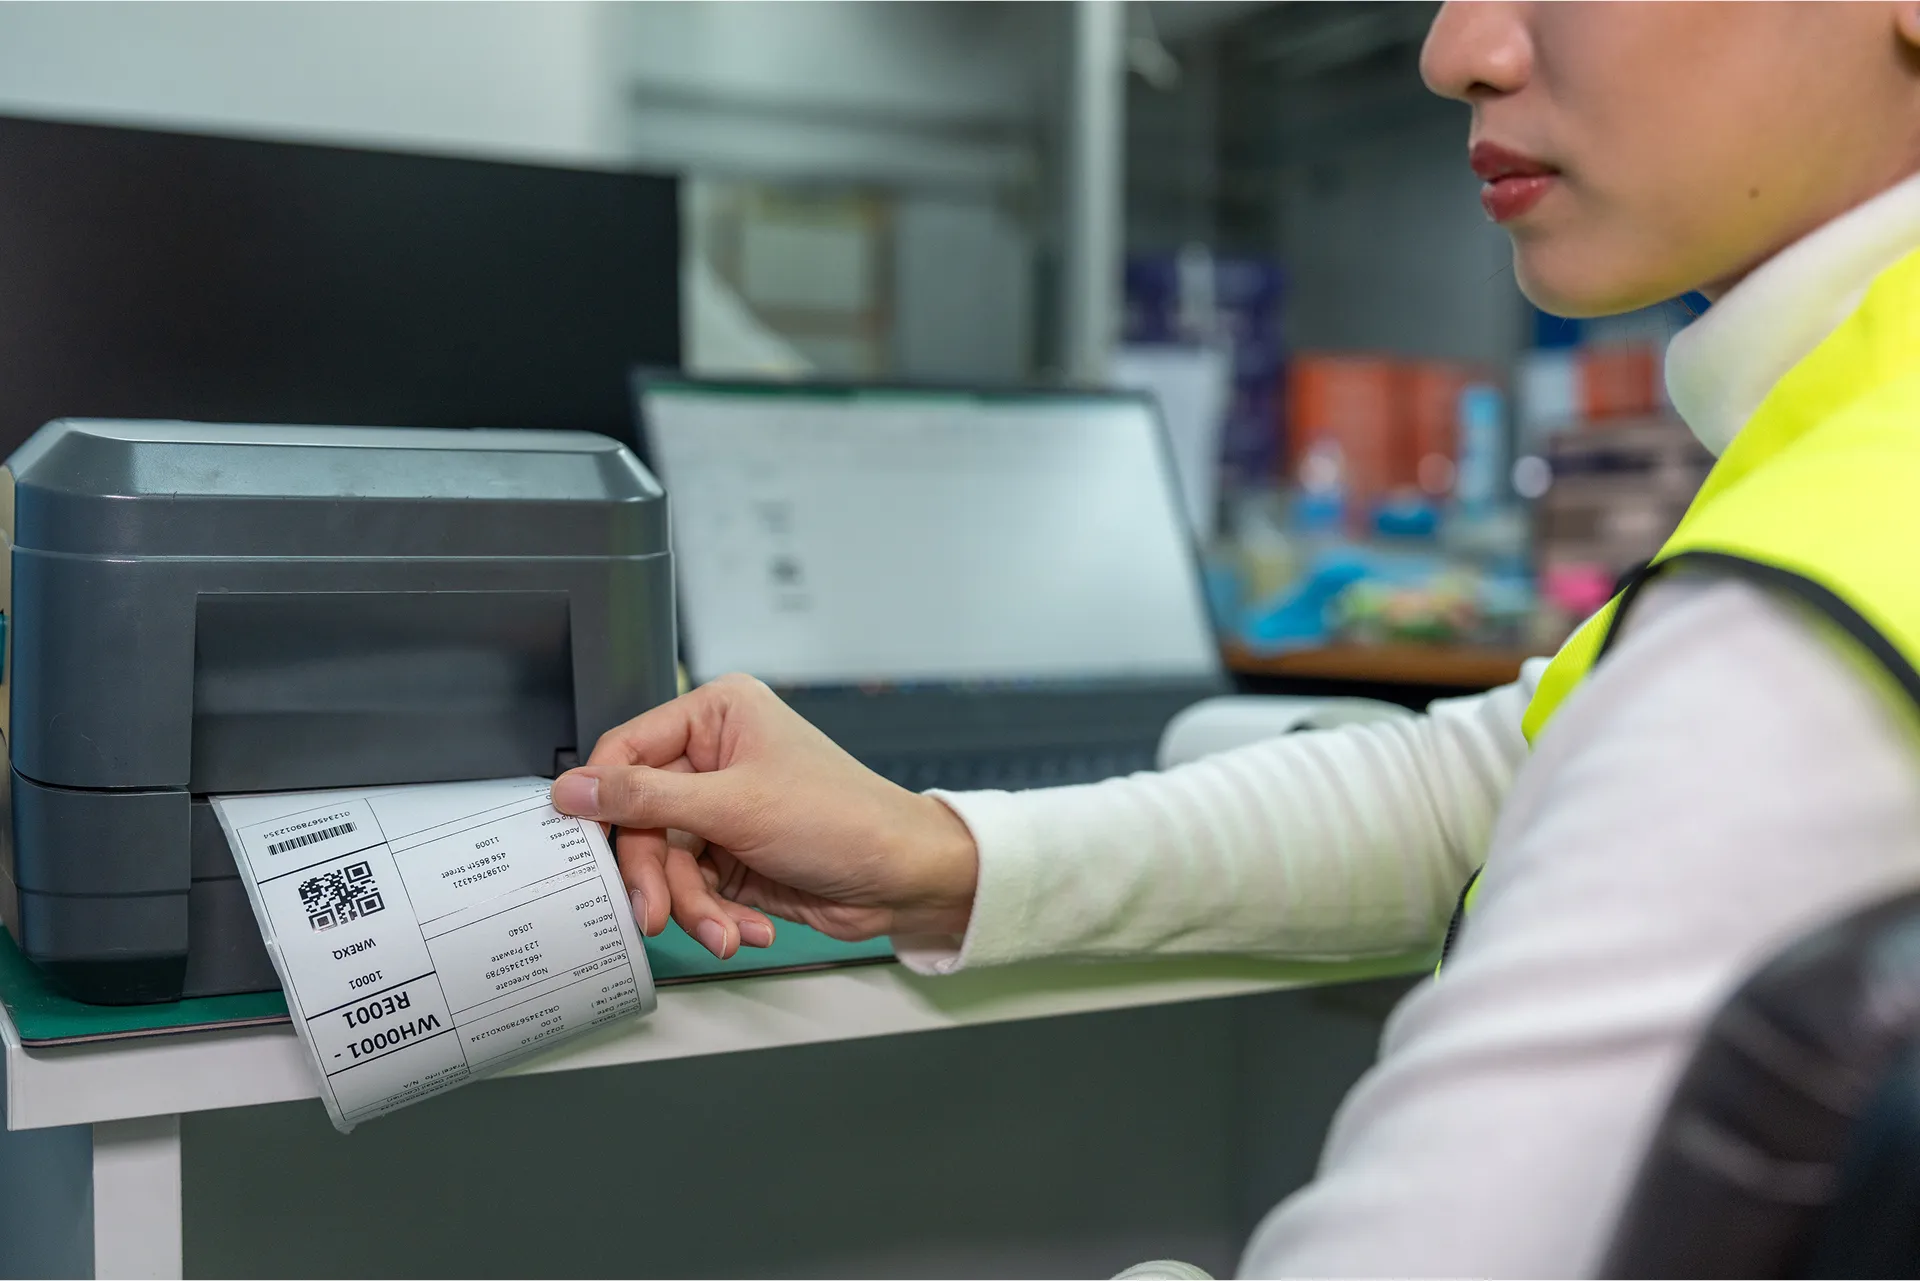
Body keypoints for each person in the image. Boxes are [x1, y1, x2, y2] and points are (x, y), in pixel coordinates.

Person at [552, 3, 1920, 1274]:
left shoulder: (1793, 627)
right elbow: (1502, 780)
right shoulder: (1843, 475)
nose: (1455, 50)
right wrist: (941, 851)